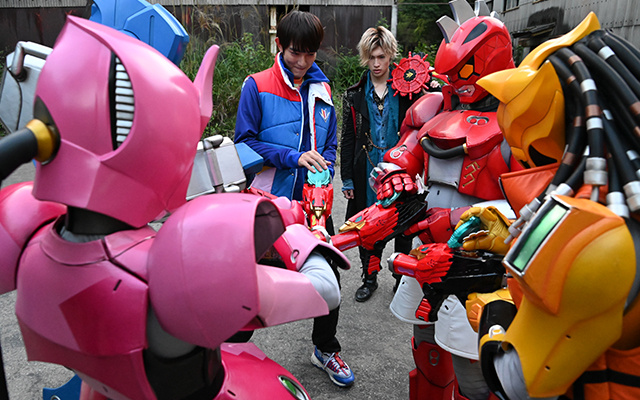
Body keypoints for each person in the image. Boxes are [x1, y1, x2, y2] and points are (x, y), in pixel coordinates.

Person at [234, 10, 354, 388]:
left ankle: (325, 349)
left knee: (329, 277)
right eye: (294, 52)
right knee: (245, 280)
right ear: (280, 45)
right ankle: (228, 354)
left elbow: (330, 141)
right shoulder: (256, 85)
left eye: (310, 54)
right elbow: (242, 144)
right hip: (267, 203)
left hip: (315, 205)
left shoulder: (323, 89)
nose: (302, 62)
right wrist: (292, 157)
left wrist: (327, 164)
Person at [340, 26, 418, 302]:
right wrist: (347, 179)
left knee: (404, 226)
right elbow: (348, 138)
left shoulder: (409, 90)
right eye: (371, 57)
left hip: (403, 168)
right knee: (369, 227)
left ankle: (401, 280)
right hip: (368, 170)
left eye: (381, 57)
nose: (376, 63)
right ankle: (369, 278)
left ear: (390, 56)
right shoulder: (355, 94)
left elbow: (423, 126)